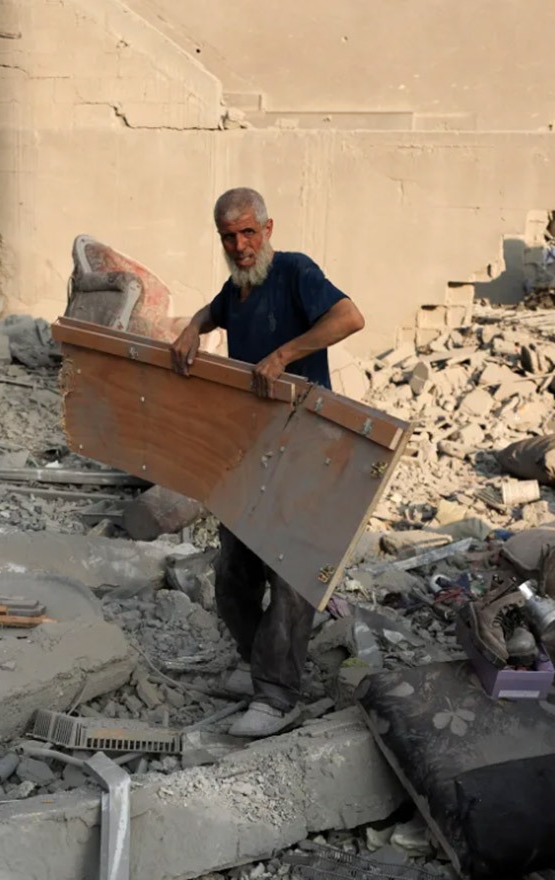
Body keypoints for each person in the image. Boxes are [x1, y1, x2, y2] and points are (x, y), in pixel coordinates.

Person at [170, 187, 366, 737]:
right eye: (229, 237)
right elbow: (214, 310)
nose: (240, 246)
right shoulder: (238, 287)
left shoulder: (295, 271)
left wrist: (284, 354)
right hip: (254, 446)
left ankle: (278, 696)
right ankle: (254, 659)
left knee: (289, 569)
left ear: (268, 228)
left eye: (248, 233)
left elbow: (350, 317)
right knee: (234, 568)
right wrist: (192, 327)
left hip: (306, 443)